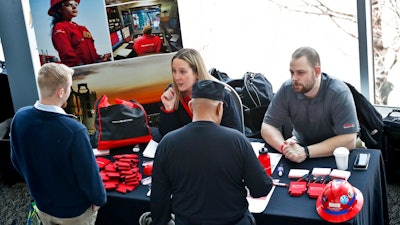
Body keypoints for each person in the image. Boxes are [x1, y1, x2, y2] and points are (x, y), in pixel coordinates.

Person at [151, 80, 273, 225]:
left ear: (191, 106)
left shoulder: (167, 143)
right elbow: (261, 188)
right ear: (219, 108)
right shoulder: (237, 141)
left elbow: (159, 199)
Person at [10, 62, 106, 225]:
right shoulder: (74, 130)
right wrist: (99, 199)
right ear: (61, 92)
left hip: (42, 205)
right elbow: (88, 175)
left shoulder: (20, 117)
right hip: (74, 212)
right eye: (69, 87)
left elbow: (16, 160)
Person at [261, 46, 360, 163]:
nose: (294, 78)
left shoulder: (338, 92)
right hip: (301, 144)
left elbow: (349, 139)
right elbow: (267, 126)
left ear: (317, 72)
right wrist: (285, 148)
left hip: (336, 149)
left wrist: (306, 152)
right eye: (292, 72)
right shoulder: (287, 89)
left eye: (300, 73)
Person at [156, 48, 241, 141]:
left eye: (182, 72)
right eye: (174, 71)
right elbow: (166, 137)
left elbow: (235, 134)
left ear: (196, 72)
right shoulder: (171, 93)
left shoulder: (221, 95)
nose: (177, 77)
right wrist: (169, 109)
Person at [48, 0, 109, 67]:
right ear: (59, 9)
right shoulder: (60, 28)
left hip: (93, 68)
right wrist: (81, 68)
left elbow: (92, 51)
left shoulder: (82, 29)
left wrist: (100, 59)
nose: (74, 7)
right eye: (69, 4)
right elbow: (67, 54)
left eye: (75, 4)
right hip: (80, 72)